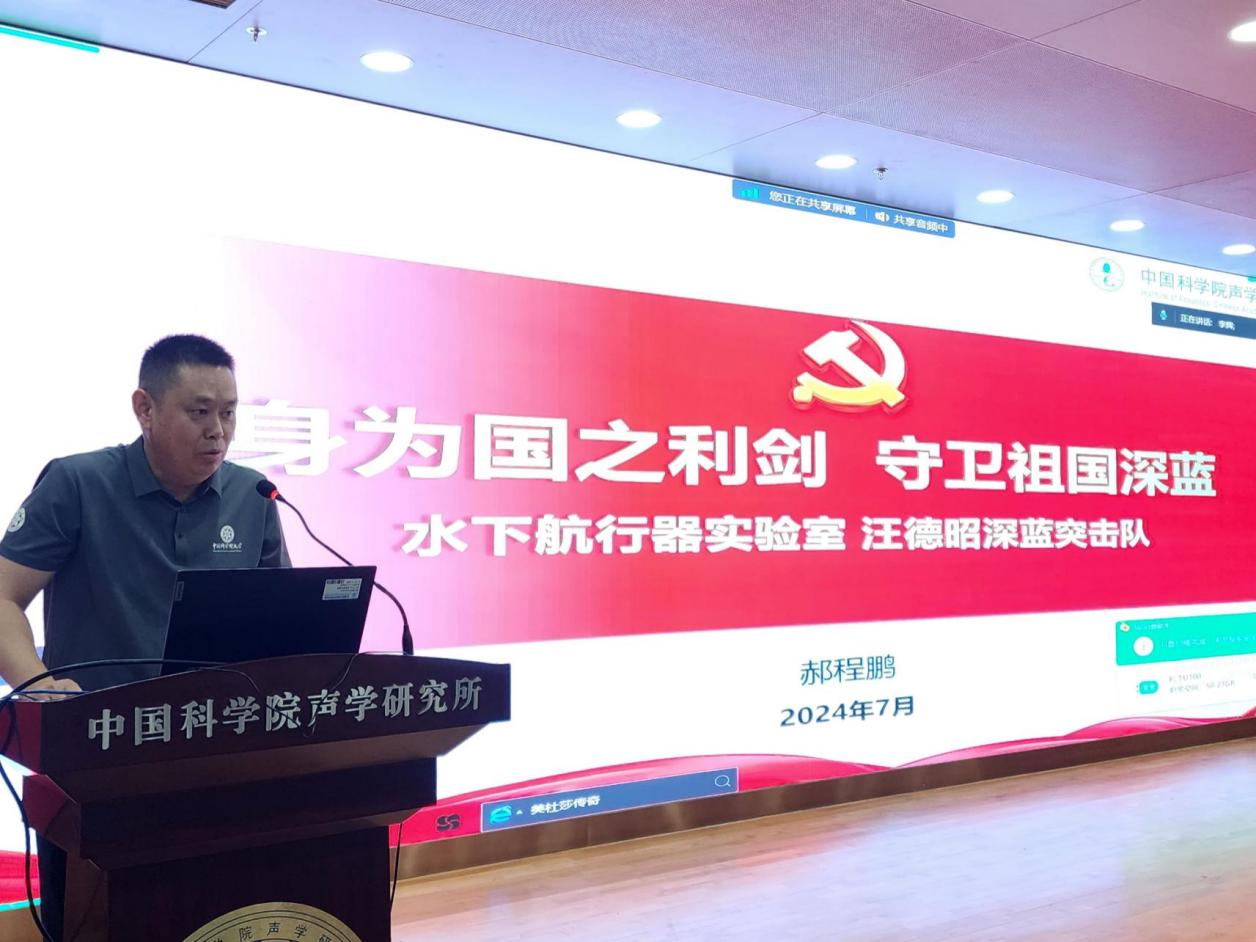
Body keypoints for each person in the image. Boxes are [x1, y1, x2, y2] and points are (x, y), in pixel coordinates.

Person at [0, 334, 289, 940]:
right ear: (145, 408)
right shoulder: (78, 483)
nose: (218, 431)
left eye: (229, 412)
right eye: (199, 411)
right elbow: (3, 597)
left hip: (220, 751)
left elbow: (282, 624)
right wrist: (37, 683)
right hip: (99, 753)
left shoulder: (253, 494)